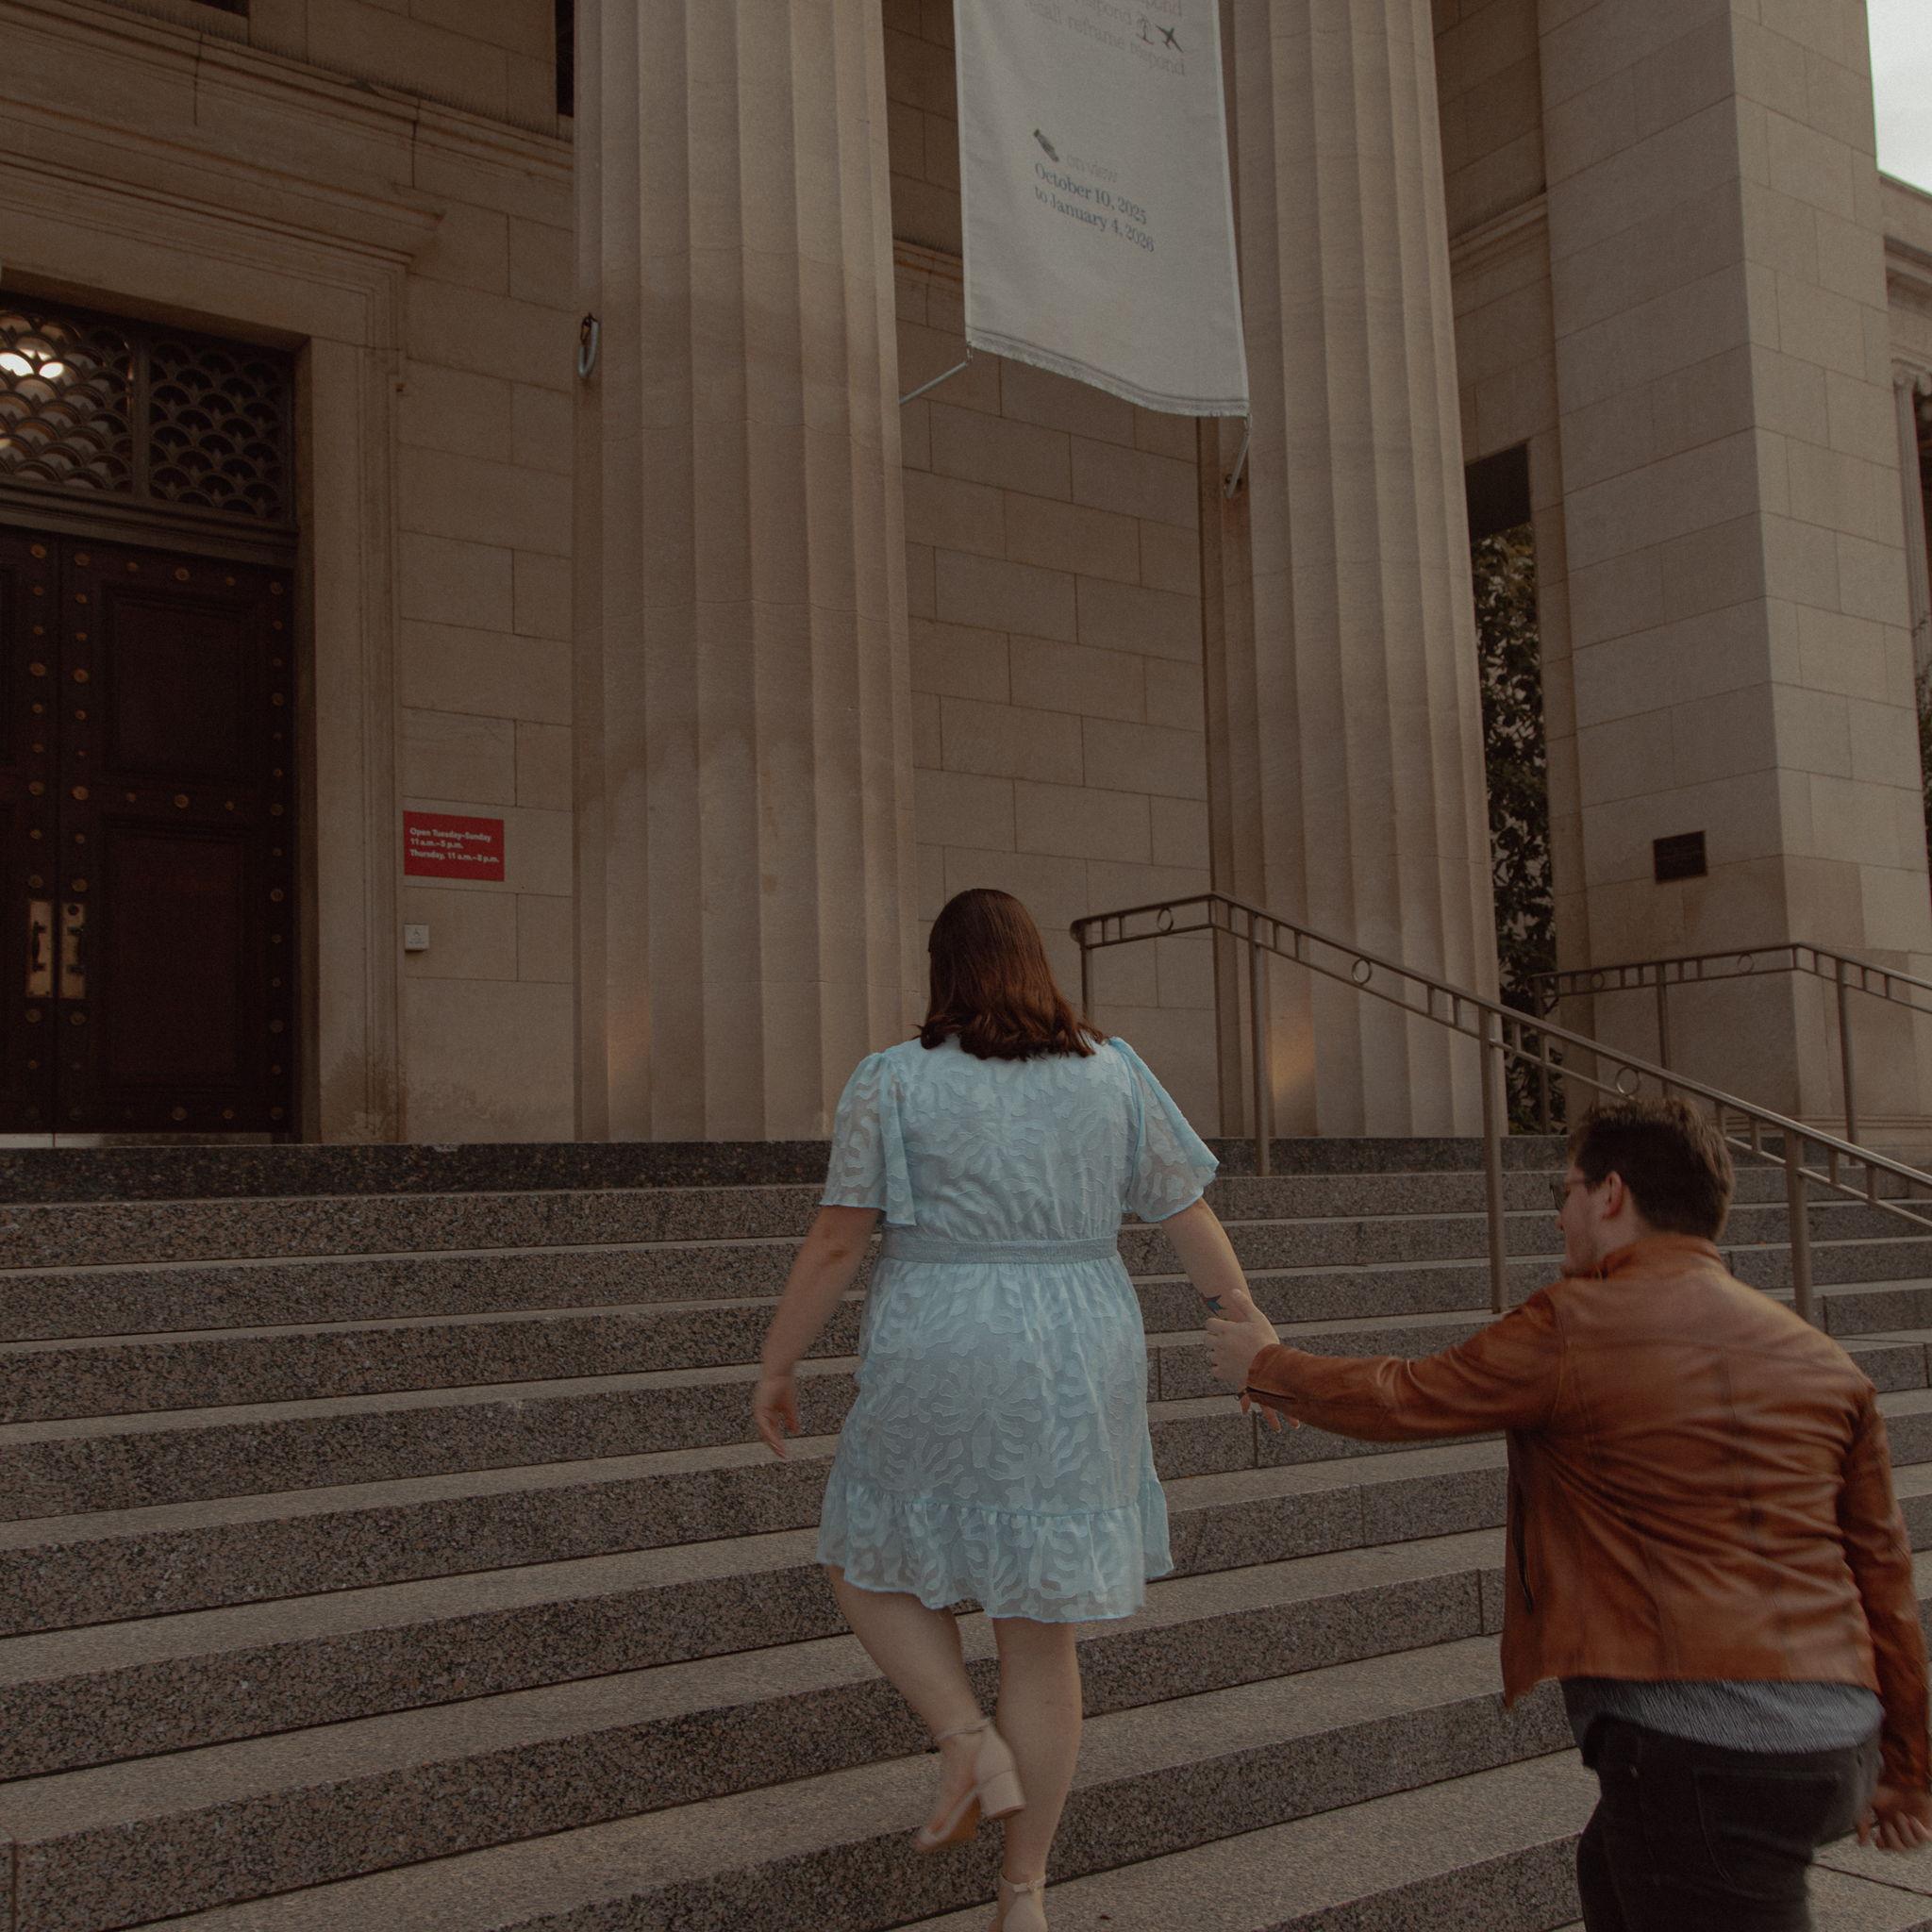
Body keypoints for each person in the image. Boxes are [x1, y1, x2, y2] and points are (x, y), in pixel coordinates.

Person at [1207, 1094, 1932, 1931]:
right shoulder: (1822, 1359)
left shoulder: (1577, 1323)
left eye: (1567, 1192)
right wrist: (1908, 1764)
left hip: (1704, 1746)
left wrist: (1265, 1363)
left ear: (1611, 1194)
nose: (1559, 1216)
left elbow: (1404, 1395)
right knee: (1612, 1876)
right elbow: (1884, 1577)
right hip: (1835, 1738)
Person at [754, 888, 1255, 1932]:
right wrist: (1247, 1324)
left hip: (942, 1328)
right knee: (1040, 1636)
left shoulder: (893, 1077)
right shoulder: (1113, 1070)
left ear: (943, 970)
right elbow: (1185, 1211)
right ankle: (1023, 1892)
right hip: (1077, 1340)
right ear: (1036, 963)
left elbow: (838, 1240)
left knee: (863, 1553)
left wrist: (777, 1361)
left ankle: (963, 1737)